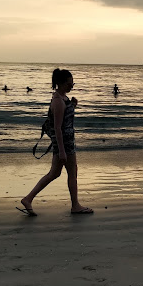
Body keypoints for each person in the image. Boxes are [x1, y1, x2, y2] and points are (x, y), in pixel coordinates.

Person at [17, 68, 92, 216]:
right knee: (71, 172)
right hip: (64, 144)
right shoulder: (58, 101)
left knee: (54, 173)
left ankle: (28, 199)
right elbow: (57, 128)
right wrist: (62, 151)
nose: (72, 86)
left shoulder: (63, 98)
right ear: (61, 83)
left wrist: (73, 105)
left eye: (73, 83)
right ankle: (75, 206)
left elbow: (65, 119)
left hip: (66, 142)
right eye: (69, 84)